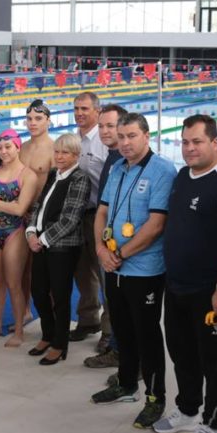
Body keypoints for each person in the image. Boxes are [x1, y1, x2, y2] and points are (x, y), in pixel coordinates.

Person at [153, 115, 217, 433]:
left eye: (197, 142)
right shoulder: (183, 175)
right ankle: (189, 409)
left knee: (216, 361)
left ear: (215, 143)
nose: (190, 148)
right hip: (176, 285)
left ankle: (214, 423)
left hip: (209, 291)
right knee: (181, 352)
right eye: (185, 142)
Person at [89, 113, 177, 431]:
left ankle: (156, 399)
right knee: (122, 330)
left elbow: (156, 225)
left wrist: (119, 254)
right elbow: (101, 212)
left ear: (146, 136)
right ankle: (126, 384)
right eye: (121, 136)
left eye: (131, 136)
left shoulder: (163, 171)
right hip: (113, 264)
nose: (125, 143)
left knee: (147, 335)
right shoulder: (116, 169)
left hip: (145, 270)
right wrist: (102, 250)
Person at [25, 134, 91, 366]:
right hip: (41, 242)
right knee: (39, 291)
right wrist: (31, 231)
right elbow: (39, 206)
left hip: (62, 246)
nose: (60, 156)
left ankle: (59, 344)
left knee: (60, 297)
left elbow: (70, 219)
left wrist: (41, 240)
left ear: (76, 155)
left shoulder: (79, 178)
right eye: (57, 152)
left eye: (65, 153)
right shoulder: (54, 174)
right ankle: (48, 333)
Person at [0, 129, 39, 347]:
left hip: (15, 232)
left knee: (14, 283)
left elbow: (21, 210)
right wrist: (4, 206)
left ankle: (19, 331)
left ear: (17, 147)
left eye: (8, 147)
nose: (3, 151)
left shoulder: (27, 175)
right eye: (0, 147)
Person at [84, 103, 128, 371]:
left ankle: (120, 351)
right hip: (107, 237)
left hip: (121, 243)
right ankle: (116, 347)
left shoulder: (122, 158)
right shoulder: (114, 157)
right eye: (101, 125)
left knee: (118, 298)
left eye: (110, 125)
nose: (104, 130)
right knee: (111, 293)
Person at [69, 91, 109, 344]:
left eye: (84, 108)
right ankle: (88, 320)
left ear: (97, 110)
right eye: (76, 108)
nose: (79, 113)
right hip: (78, 216)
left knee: (104, 273)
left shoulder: (104, 142)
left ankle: (109, 332)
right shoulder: (74, 140)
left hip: (100, 215)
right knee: (82, 272)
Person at [19, 99, 55, 316]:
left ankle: (50, 317)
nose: (33, 123)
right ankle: (24, 311)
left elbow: (55, 187)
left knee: (46, 273)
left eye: (38, 118)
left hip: (44, 217)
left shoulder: (54, 150)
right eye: (30, 118)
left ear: (48, 121)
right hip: (22, 214)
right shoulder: (21, 148)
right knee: (23, 268)